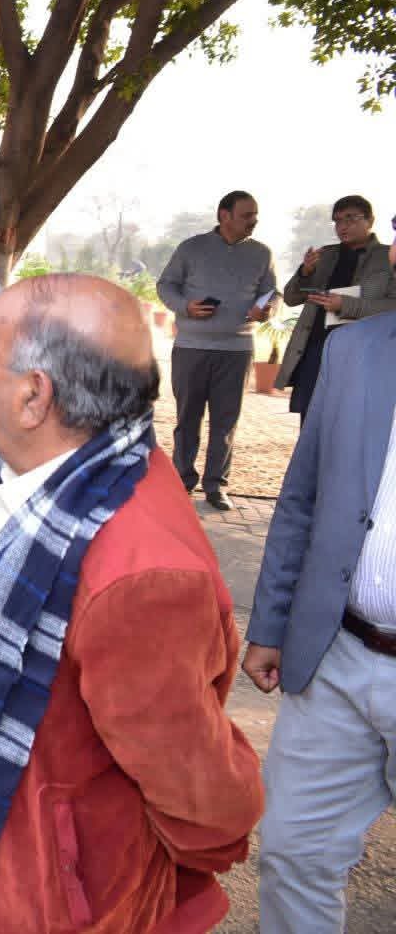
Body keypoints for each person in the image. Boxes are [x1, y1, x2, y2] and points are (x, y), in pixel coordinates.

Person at [0, 274, 263, 934]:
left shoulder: (137, 575)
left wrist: (77, 867)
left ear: (35, 397)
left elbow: (206, 808)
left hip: (21, 901)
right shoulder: (45, 476)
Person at [244, 235, 396, 933]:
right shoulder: (354, 351)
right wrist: (272, 623)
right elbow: (303, 497)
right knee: (293, 853)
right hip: (338, 652)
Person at [156, 190, 278, 511]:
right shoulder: (191, 248)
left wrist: (266, 309)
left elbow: (272, 294)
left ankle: (216, 485)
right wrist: (186, 306)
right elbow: (165, 285)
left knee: (225, 422)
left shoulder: (262, 253)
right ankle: (182, 481)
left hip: (237, 350)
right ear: (224, 215)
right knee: (187, 419)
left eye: (255, 215)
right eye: (247, 215)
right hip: (191, 348)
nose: (254, 221)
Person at [276, 195, 396, 421]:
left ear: (370, 220)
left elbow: (393, 306)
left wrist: (347, 305)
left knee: (350, 422)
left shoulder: (388, 257)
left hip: (363, 355)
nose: (342, 226)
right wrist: (305, 272)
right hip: (317, 349)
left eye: (350, 218)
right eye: (338, 220)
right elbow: (290, 298)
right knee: (310, 423)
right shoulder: (325, 256)